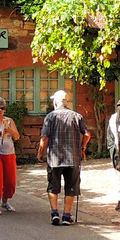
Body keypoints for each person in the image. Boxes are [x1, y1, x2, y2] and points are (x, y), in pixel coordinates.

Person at [38, 90, 89, 225]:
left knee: (53, 187)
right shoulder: (76, 116)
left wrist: (40, 152)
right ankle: (66, 216)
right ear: (67, 102)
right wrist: (83, 146)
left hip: (55, 159)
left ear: (55, 102)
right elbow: (87, 134)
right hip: (73, 158)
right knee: (71, 187)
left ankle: (55, 213)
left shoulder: (50, 117)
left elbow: (44, 138)